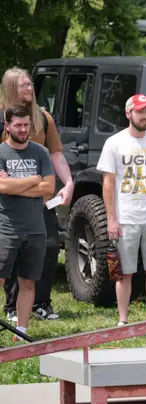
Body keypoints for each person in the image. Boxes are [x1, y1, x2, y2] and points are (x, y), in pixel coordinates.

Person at [97, 94, 146, 335]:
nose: (145, 116)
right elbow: (108, 183)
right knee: (124, 273)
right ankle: (123, 320)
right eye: (140, 111)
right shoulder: (114, 143)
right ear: (128, 113)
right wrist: (112, 219)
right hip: (126, 218)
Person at [1, 67, 74, 323]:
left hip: (41, 205)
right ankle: (12, 306)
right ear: (12, 88)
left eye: (31, 84)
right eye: (24, 85)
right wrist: (34, 181)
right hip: (7, 209)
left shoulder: (43, 117)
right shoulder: (2, 119)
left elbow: (55, 154)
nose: (30, 89)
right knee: (9, 254)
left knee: (51, 247)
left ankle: (40, 302)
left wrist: (68, 181)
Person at [0, 106, 55, 340]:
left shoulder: (41, 152)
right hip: (6, 228)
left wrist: (15, 184)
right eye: (18, 125)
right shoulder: (1, 152)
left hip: (35, 230)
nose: (23, 130)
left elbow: (49, 188)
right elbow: (1, 187)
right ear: (7, 125)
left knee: (28, 282)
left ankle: (22, 332)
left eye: (26, 125)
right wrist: (33, 180)